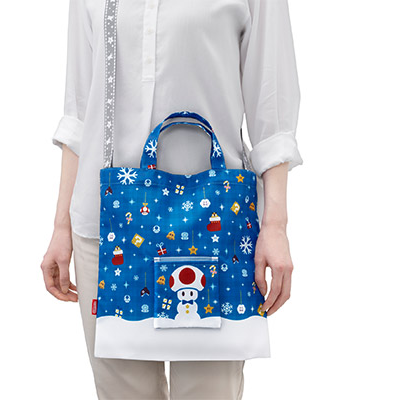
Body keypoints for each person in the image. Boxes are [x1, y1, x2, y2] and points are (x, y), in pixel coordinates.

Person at [41, 0, 302, 398]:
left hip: (216, 227)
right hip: (105, 229)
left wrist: (276, 226)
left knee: (209, 392)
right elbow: (79, 113)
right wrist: (61, 226)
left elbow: (273, 112)